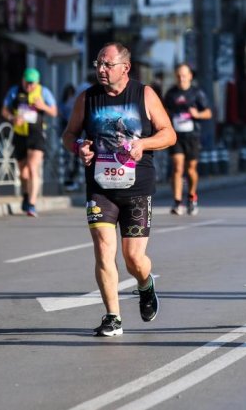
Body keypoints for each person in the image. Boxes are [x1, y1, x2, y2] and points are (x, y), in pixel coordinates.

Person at [61, 42, 176, 336]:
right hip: (100, 186)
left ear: (125, 68)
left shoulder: (144, 94)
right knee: (102, 249)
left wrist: (144, 144)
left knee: (134, 258)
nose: (100, 69)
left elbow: (169, 134)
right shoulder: (87, 98)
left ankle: (145, 284)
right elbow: (69, 135)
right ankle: (113, 316)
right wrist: (79, 147)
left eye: (107, 64)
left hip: (137, 186)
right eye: (98, 63)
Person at [1, 68, 58, 217]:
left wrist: (43, 106)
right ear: (22, 80)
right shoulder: (14, 91)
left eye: (32, 83)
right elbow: (4, 110)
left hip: (36, 133)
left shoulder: (43, 92)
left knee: (33, 168)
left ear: (37, 82)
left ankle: (32, 204)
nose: (29, 86)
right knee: (23, 172)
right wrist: (12, 118)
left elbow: (54, 112)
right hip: (19, 134)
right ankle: (26, 195)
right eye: (26, 83)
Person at [164, 63, 212, 216]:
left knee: (191, 168)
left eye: (184, 75)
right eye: (178, 75)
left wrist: (197, 114)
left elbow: (208, 113)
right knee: (177, 167)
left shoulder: (197, 93)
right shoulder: (171, 93)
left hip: (192, 136)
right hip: (176, 136)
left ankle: (192, 197)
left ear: (190, 76)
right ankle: (177, 202)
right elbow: (163, 111)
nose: (181, 78)